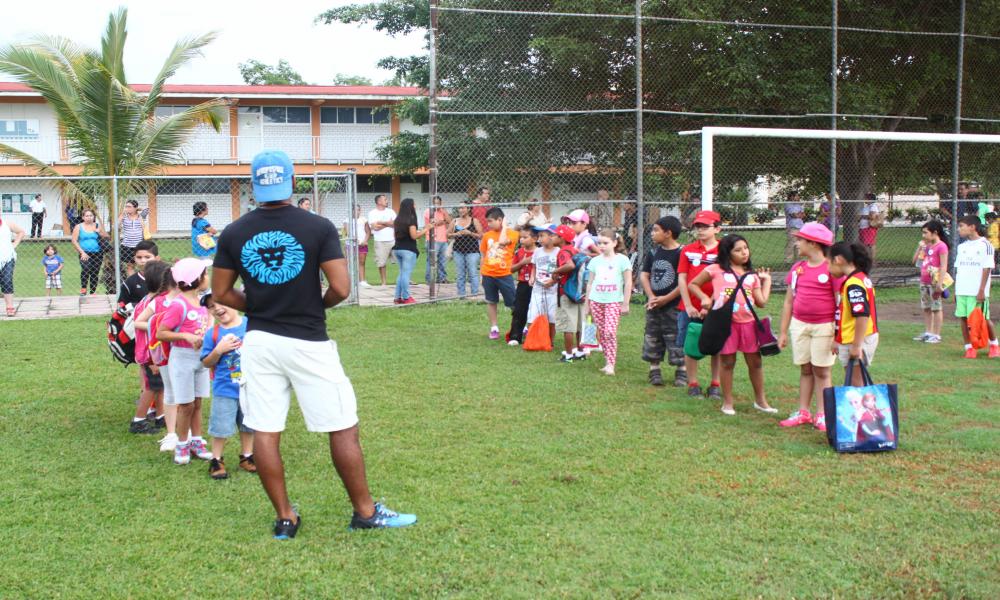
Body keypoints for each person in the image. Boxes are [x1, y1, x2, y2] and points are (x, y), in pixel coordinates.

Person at [212, 150, 416, 538]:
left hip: (259, 341)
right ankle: (365, 513)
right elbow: (341, 287)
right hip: (308, 341)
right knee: (342, 425)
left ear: (254, 186)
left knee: (265, 430)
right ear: (292, 181)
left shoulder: (234, 232)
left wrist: (258, 305)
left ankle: (285, 518)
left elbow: (220, 292)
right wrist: (314, 305)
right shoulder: (318, 226)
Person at [687, 234, 774, 415]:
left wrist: (767, 281)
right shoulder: (715, 269)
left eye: (746, 248)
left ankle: (761, 401)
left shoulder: (751, 275)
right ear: (727, 253)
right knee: (727, 362)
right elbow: (693, 284)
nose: (744, 252)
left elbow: (761, 302)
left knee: (755, 363)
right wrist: (704, 298)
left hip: (749, 324)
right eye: (738, 250)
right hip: (725, 324)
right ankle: (727, 402)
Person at [778, 222, 838, 432]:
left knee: (822, 370)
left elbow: (840, 303)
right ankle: (803, 411)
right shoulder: (798, 268)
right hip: (800, 325)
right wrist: (783, 331)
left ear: (813, 243)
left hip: (825, 327)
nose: (797, 243)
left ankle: (823, 414)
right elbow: (789, 301)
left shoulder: (832, 268)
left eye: (800, 240)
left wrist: (837, 334)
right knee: (805, 368)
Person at [155, 258, 214, 465]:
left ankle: (197, 442)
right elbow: (161, 333)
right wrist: (185, 336)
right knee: (186, 405)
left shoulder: (202, 302)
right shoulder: (179, 305)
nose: (208, 277)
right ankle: (182, 444)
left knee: (197, 403)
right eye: (205, 274)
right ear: (196, 279)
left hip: (200, 359)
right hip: (182, 359)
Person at [200, 293, 255, 480]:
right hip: (224, 389)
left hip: (250, 388)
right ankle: (216, 459)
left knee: (248, 425)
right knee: (221, 426)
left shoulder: (251, 325)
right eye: (211, 306)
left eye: (220, 303)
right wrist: (218, 350)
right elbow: (206, 362)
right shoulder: (213, 334)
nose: (217, 308)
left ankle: (247, 456)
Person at [677, 210, 723, 399]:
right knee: (690, 345)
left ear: (717, 229)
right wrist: (688, 305)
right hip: (690, 307)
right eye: (698, 226)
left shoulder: (724, 251)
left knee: (717, 347)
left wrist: (709, 304)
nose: (701, 230)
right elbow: (682, 278)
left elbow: (725, 279)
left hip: (716, 306)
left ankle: (715, 384)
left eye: (705, 226)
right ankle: (693, 383)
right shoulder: (688, 250)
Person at [134, 261, 179, 448]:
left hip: (155, 353)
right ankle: (138, 420)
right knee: (151, 387)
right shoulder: (153, 303)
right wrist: (152, 358)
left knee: (161, 386)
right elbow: (144, 328)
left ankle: (161, 416)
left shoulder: (153, 300)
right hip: (152, 354)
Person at [641, 216, 685, 387]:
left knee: (676, 336)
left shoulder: (682, 253)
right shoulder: (653, 253)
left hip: (674, 306)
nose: (652, 233)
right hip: (654, 305)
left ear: (668, 233)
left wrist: (666, 299)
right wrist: (651, 296)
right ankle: (654, 370)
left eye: (656, 230)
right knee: (653, 336)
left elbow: (684, 281)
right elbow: (645, 275)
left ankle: (682, 371)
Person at [828, 242, 879, 387]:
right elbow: (845, 314)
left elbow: (862, 315)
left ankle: (865, 403)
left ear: (838, 260)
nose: (827, 268)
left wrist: (856, 346)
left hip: (856, 339)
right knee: (855, 382)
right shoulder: (858, 278)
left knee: (856, 385)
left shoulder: (854, 284)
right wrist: (838, 339)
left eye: (828, 263)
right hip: (852, 338)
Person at [585, 228, 632, 375]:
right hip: (596, 300)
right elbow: (590, 283)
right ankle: (608, 362)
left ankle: (611, 364)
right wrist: (587, 304)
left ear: (614, 243)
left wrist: (625, 303)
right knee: (602, 332)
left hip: (614, 301)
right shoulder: (595, 261)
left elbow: (628, 282)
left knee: (610, 332)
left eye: (605, 243)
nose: (602, 246)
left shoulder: (622, 260)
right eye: (599, 243)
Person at [953, 215, 999, 359]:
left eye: (961, 226)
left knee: (983, 319)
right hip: (962, 290)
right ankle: (969, 348)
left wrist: (981, 290)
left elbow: (987, 268)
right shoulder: (961, 247)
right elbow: (959, 269)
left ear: (972, 227)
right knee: (963, 318)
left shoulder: (986, 245)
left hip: (976, 291)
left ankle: (994, 345)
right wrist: (956, 290)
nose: (959, 229)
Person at [480, 207, 520, 339]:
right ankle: (494, 327)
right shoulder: (487, 236)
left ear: (500, 220)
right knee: (491, 301)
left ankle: (519, 326)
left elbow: (503, 242)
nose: (488, 224)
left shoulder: (512, 234)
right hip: (488, 274)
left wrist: (504, 227)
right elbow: (484, 256)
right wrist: (482, 274)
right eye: (487, 221)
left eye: (491, 221)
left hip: (504, 274)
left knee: (513, 303)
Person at [550, 224, 588, 362]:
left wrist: (555, 271)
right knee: (580, 325)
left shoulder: (563, 252)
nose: (551, 237)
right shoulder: (575, 249)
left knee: (568, 326)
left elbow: (570, 265)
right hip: (579, 292)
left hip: (566, 292)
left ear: (561, 238)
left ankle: (568, 354)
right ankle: (580, 351)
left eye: (554, 235)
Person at [912, 220, 949, 344]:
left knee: (936, 308)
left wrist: (940, 283)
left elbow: (943, 265)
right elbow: (915, 261)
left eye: (925, 232)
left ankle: (936, 335)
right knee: (926, 307)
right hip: (924, 281)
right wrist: (920, 248)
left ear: (935, 233)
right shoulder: (927, 246)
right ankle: (928, 332)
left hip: (934, 282)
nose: (923, 235)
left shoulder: (941, 246)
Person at [527, 225, 560, 346]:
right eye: (538, 236)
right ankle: (532, 340)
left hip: (552, 290)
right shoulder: (537, 251)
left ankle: (550, 341)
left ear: (552, 236)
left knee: (551, 316)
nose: (539, 239)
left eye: (542, 236)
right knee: (533, 314)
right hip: (538, 288)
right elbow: (534, 266)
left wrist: (553, 280)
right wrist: (532, 277)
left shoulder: (558, 251)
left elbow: (561, 269)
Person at [392, 198, 428, 305]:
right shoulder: (411, 219)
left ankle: (397, 297)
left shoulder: (397, 220)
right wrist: (427, 229)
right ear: (410, 206)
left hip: (397, 249)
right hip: (408, 250)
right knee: (406, 274)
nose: (415, 206)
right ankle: (406, 297)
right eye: (414, 204)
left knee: (402, 273)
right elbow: (414, 236)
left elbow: (395, 235)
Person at [507, 225, 536, 346]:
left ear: (534, 238)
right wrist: (522, 262)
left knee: (535, 311)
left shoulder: (540, 252)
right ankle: (515, 336)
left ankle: (535, 336)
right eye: (521, 237)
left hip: (537, 286)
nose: (522, 240)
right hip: (523, 284)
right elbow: (511, 269)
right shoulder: (519, 252)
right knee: (519, 310)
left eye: (525, 237)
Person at [71, 208, 109, 296]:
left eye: (91, 215)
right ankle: (83, 289)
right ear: (83, 217)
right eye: (87, 216)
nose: (89, 217)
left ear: (93, 217)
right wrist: (82, 252)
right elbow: (74, 240)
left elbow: (106, 236)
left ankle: (93, 292)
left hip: (98, 253)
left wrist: (99, 232)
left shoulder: (97, 225)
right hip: (85, 253)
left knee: (95, 272)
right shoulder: (78, 227)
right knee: (86, 269)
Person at [449, 202, 483, 297]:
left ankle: (474, 294)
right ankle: (461, 295)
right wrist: (456, 234)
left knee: (472, 273)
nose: (461, 210)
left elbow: (481, 235)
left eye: (463, 208)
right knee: (460, 274)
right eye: (459, 208)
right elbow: (447, 234)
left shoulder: (474, 221)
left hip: (472, 251)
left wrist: (470, 233)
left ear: (468, 209)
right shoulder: (454, 221)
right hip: (458, 250)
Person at [117, 240, 159, 308]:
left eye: (147, 257)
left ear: (157, 258)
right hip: (137, 314)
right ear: (134, 259)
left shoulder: (166, 279)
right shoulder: (129, 283)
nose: (143, 260)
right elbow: (121, 306)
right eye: (139, 257)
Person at [367, 194, 396, 287]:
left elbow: (395, 224)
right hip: (380, 241)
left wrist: (381, 222)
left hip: (393, 240)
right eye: (385, 199)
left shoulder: (391, 211)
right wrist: (388, 223)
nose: (387, 201)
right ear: (379, 202)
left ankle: (406, 279)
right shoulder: (372, 213)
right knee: (381, 263)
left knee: (401, 259)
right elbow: (375, 227)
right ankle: (384, 283)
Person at [0, 216, 25, 316]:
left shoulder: (7, 223)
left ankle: (9, 307)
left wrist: (14, 244)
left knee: (7, 280)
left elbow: (21, 232)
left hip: (7, 257)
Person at [424, 195, 451, 285]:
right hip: (432, 239)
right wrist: (444, 221)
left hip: (443, 239)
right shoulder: (428, 211)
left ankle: (442, 278)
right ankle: (429, 279)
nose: (437, 205)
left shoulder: (442, 211)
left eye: (438, 203)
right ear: (432, 203)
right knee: (431, 261)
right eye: (435, 203)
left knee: (443, 261)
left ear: (441, 203)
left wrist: (444, 211)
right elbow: (435, 223)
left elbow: (450, 221)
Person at [343, 204, 371, 287]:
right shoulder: (347, 220)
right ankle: (349, 281)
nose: (357, 212)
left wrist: (365, 241)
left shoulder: (364, 220)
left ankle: (362, 281)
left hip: (362, 244)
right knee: (349, 262)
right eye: (355, 210)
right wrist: (356, 240)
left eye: (358, 210)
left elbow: (368, 232)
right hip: (351, 244)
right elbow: (348, 232)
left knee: (362, 262)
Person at [119, 200, 145, 277]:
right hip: (127, 245)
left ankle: (142, 281)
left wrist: (138, 210)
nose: (127, 208)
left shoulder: (141, 216)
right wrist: (122, 215)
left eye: (129, 207)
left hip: (139, 245)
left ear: (135, 208)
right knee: (130, 266)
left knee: (142, 265)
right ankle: (132, 282)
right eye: (126, 206)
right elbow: (115, 226)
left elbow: (146, 210)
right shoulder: (124, 217)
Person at [858, 193, 882, 262]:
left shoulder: (873, 206)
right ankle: (867, 259)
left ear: (870, 199)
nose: (864, 199)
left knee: (870, 244)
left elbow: (872, 216)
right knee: (865, 244)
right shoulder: (868, 206)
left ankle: (871, 260)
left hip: (868, 228)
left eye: (866, 198)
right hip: (864, 228)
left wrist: (861, 216)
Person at [784, 190, 805, 263]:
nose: (798, 197)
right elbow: (793, 215)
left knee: (799, 244)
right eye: (796, 196)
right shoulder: (788, 204)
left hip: (800, 226)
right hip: (792, 227)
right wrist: (798, 214)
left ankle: (798, 260)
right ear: (792, 197)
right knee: (791, 244)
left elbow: (803, 215)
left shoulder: (799, 205)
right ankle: (788, 260)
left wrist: (798, 214)